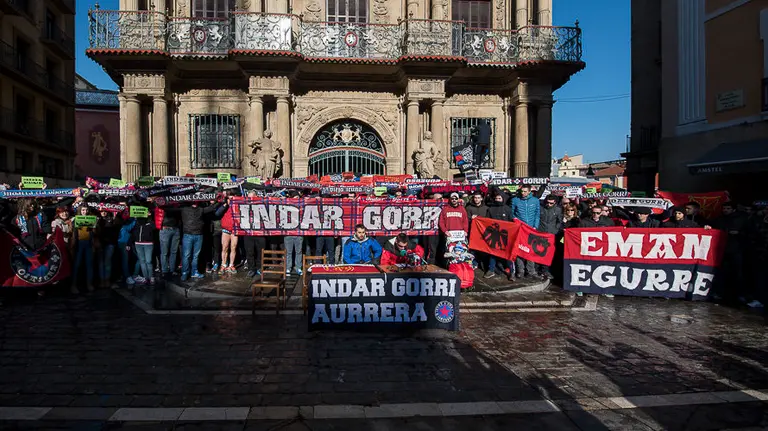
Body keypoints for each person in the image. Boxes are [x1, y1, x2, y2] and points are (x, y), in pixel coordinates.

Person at [511, 185, 540, 278]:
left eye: (525, 191)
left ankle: (531, 271)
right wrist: (515, 220)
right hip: (520, 229)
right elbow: (511, 213)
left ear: (529, 191)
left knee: (530, 250)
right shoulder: (515, 200)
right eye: (522, 191)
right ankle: (520, 270)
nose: (523, 193)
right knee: (520, 249)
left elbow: (537, 214)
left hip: (531, 229)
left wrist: (535, 226)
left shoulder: (535, 200)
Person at [484, 191, 514, 280]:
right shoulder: (490, 209)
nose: (497, 200)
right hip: (494, 236)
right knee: (493, 254)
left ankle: (511, 272)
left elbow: (512, 222)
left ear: (503, 199)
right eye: (496, 198)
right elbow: (487, 221)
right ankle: (491, 270)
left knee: (508, 254)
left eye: (499, 198)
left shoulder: (507, 209)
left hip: (505, 236)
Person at [128, 210, 156, 285]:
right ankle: (146, 278)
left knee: (148, 261)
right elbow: (132, 233)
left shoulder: (149, 222)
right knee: (142, 261)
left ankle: (151, 277)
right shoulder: (136, 223)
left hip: (148, 244)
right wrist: (129, 243)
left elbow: (154, 227)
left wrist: (150, 217)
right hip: (138, 244)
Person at [538, 195, 563, 279]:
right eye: (547, 202)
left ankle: (545, 270)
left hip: (551, 234)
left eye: (551, 203)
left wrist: (555, 230)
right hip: (540, 232)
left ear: (555, 203)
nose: (548, 204)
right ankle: (538, 270)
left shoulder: (558, 210)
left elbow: (559, 221)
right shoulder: (541, 208)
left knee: (548, 253)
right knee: (539, 251)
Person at [71, 205, 95, 293]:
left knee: (89, 264)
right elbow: (73, 232)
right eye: (83, 210)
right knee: (76, 265)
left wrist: (95, 226)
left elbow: (95, 233)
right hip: (79, 243)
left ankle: (89, 284)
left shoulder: (92, 219)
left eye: (86, 210)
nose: (84, 211)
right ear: (80, 211)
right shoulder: (75, 219)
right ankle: (73, 285)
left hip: (88, 243)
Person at [95, 210, 120, 288]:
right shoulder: (97, 219)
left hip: (110, 243)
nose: (103, 212)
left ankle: (107, 280)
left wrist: (115, 217)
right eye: (101, 211)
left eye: (105, 211)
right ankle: (102, 281)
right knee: (101, 263)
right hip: (100, 243)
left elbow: (117, 227)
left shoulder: (112, 218)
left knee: (107, 262)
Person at [156, 206, 180, 277]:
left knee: (174, 252)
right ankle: (165, 271)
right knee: (164, 252)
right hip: (165, 228)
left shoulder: (177, 200)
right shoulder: (163, 200)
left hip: (176, 229)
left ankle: (172, 270)